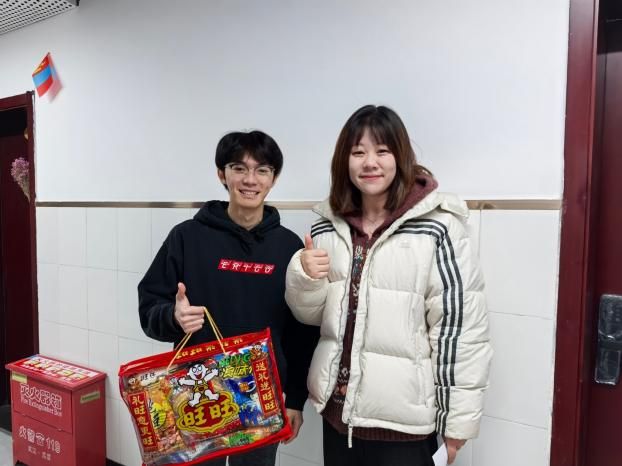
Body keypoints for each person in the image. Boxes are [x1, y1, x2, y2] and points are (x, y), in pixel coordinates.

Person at [285, 105, 492, 466]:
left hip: (404, 427)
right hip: (338, 417)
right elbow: (312, 317)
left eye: (382, 151)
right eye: (358, 152)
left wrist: (456, 422)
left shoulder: (438, 227)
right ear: (344, 161)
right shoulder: (327, 226)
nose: (370, 162)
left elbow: (460, 331)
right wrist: (303, 275)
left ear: (400, 157)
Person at [138, 130, 318, 466]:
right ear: (222, 174)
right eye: (239, 168)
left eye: (262, 170)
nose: (250, 180)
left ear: (273, 179)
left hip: (261, 398)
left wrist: (295, 400)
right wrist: (173, 317)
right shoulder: (186, 238)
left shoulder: (288, 247)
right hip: (196, 395)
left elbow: (301, 333)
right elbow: (149, 306)